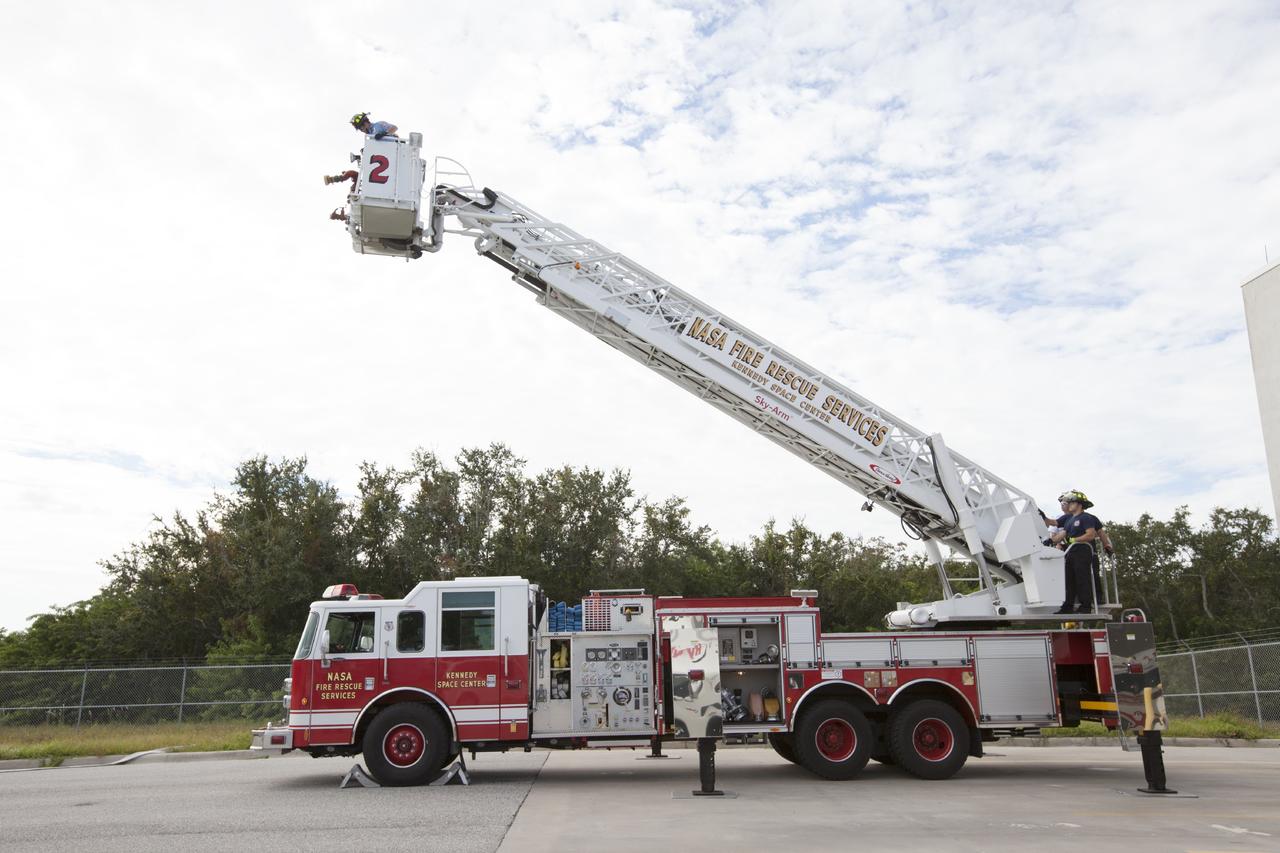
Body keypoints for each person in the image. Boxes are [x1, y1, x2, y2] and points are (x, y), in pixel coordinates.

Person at [1046, 490, 1102, 614]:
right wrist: (1050, 540)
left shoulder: (1086, 518)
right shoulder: (1069, 521)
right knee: (1069, 580)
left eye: (1071, 502)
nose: (1069, 505)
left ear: (1079, 504)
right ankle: (1067, 606)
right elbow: (1061, 535)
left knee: (1082, 579)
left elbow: (1090, 535)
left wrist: (1074, 539)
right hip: (1071, 552)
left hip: (1082, 552)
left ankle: (1085, 607)